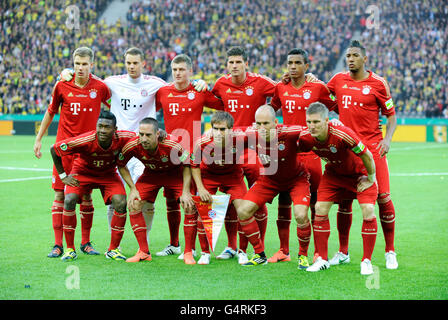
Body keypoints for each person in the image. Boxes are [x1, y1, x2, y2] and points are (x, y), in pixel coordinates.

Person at [326, 40, 398, 269]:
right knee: (344, 202)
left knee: (383, 197)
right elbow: (321, 95)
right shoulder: (338, 80)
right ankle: (343, 252)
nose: (350, 59)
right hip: (347, 150)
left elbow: (391, 116)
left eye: (355, 55)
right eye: (348, 55)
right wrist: (305, 79)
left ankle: (390, 251)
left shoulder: (378, 83)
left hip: (373, 148)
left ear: (365, 59)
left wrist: (387, 140)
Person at [34, 47, 111, 258]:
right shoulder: (61, 85)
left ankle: (86, 243)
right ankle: (58, 245)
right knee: (60, 194)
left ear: (92, 65)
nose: (80, 68)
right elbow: (50, 113)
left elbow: (114, 109)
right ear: (73, 63)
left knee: (86, 195)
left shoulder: (101, 88)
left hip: (87, 151)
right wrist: (39, 139)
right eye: (77, 63)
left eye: (85, 64)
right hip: (65, 150)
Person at [269, 48, 342, 263]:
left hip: (312, 153)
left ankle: (319, 252)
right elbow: (270, 110)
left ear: (306, 66)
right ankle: (284, 250)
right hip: (287, 155)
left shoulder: (317, 87)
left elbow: (338, 107)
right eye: (289, 62)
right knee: (284, 200)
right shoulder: (280, 87)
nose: (292, 66)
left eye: (297, 63)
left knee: (316, 203)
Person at [210, 46, 276, 262]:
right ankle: (232, 246)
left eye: (238, 62)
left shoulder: (261, 82)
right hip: (230, 150)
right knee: (230, 199)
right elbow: (212, 102)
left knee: (257, 199)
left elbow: (282, 92)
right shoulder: (221, 84)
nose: (234, 66)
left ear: (246, 63)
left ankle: (256, 247)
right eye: (231, 62)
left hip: (254, 150)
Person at [155, 54, 223, 258]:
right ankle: (174, 244)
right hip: (170, 153)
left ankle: (192, 248)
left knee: (192, 201)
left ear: (190, 72)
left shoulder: (199, 92)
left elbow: (222, 105)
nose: (177, 73)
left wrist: (206, 85)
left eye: (182, 69)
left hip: (194, 155)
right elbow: (146, 110)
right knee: (171, 200)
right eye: (175, 69)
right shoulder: (163, 92)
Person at [298, 102, 378, 275]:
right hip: (334, 174)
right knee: (319, 208)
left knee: (368, 210)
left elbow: (367, 154)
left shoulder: (342, 134)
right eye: (309, 122)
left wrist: (371, 178)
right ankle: (322, 259)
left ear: (327, 120)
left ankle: (366, 261)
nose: (312, 126)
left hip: (359, 174)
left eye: (316, 122)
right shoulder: (305, 137)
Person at [49, 110, 136, 261]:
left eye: (107, 127)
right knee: (69, 199)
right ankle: (70, 249)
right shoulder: (85, 140)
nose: (102, 130)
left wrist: (160, 133)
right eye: (100, 126)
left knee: (121, 202)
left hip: (108, 174)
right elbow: (54, 149)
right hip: (83, 172)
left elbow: (142, 138)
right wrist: (63, 176)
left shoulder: (124, 137)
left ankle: (113, 249)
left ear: (115, 130)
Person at [235, 105, 312, 268]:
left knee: (300, 215)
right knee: (242, 210)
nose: (262, 128)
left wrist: (335, 124)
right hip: (269, 179)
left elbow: (311, 129)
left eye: (266, 124)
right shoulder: (252, 134)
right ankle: (259, 254)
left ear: (276, 122)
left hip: (296, 179)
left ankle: (303, 256)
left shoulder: (289, 132)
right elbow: (231, 130)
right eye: (258, 124)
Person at [117, 117, 195, 263]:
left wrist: (186, 192)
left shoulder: (172, 144)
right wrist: (132, 189)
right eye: (141, 134)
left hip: (175, 174)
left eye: (148, 135)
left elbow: (187, 164)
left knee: (189, 205)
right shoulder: (133, 145)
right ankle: (144, 252)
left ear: (158, 134)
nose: (143, 139)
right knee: (134, 203)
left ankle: (188, 252)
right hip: (151, 175)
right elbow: (121, 164)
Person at [189, 111, 249, 265]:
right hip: (209, 177)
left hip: (233, 177)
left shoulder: (241, 139)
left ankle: (242, 252)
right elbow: (194, 165)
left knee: (243, 211)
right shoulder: (202, 142)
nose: (218, 132)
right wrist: (201, 189)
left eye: (223, 129)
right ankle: (205, 253)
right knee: (203, 212)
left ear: (231, 129)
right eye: (215, 128)